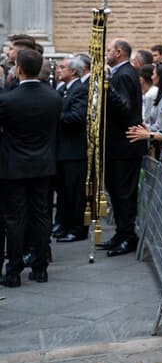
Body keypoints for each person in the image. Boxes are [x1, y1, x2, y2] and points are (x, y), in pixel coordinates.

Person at [0, 49, 62, 286]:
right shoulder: (54, 98)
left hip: (13, 166)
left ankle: (14, 270)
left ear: (19, 69)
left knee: (15, 219)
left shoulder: (7, 100)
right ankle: (40, 267)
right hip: (43, 165)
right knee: (42, 216)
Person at [98, 39, 147, 257]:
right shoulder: (121, 73)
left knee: (124, 193)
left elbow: (126, 109)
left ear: (118, 52)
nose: (107, 53)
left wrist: (107, 88)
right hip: (115, 146)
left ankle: (128, 236)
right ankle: (121, 232)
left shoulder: (125, 74)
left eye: (109, 50)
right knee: (116, 192)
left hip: (124, 146)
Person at [54, 56, 90, 243]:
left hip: (74, 152)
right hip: (63, 151)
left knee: (75, 194)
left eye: (62, 67)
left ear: (73, 71)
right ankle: (64, 224)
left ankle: (77, 229)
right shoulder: (65, 90)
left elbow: (77, 117)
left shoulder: (80, 90)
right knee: (64, 193)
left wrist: (53, 114)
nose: (58, 70)